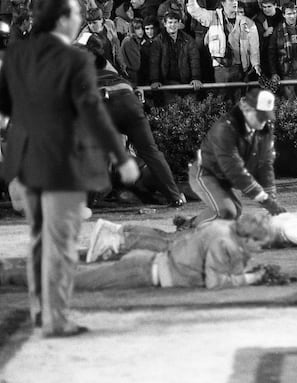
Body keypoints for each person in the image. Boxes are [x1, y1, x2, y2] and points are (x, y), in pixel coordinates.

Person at [0, 0, 139, 336]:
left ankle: (40, 310)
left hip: (24, 159)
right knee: (60, 243)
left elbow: (4, 106)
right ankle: (56, 319)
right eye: (76, 13)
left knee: (39, 239)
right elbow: (92, 112)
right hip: (59, 162)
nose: (80, 18)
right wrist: (121, 158)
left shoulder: (18, 54)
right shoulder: (75, 58)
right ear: (62, 19)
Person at [1, 214, 273, 290]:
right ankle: (12, 274)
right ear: (247, 236)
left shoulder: (226, 230)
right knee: (72, 280)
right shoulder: (223, 241)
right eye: (260, 243)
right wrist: (250, 279)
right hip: (144, 271)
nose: (262, 249)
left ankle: (20, 270)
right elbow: (215, 282)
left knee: (77, 273)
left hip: (149, 263)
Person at [79, 32, 185, 207]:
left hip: (104, 105)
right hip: (129, 101)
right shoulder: (106, 64)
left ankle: (86, 204)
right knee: (151, 152)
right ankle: (174, 197)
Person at [86, 207, 297, 264]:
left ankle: (118, 232)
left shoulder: (289, 217)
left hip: (232, 228)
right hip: (234, 233)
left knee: (172, 241)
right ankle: (118, 238)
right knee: (171, 245)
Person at [187, 88, 286, 228]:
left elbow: (265, 164)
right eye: (260, 116)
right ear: (246, 109)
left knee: (234, 213)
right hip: (206, 172)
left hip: (226, 178)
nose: (264, 121)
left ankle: (193, 223)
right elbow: (234, 169)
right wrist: (265, 200)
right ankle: (188, 229)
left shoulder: (264, 129)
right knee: (226, 212)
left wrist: (271, 199)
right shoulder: (225, 129)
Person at [186, 0, 261, 100]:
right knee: (222, 99)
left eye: (235, 0)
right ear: (223, 3)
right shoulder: (213, 17)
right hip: (221, 68)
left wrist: (256, 64)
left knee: (239, 100)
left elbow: (254, 47)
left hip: (241, 69)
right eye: (231, 0)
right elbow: (194, 11)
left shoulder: (248, 23)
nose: (235, 3)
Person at [268, 2, 297, 100]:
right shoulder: (278, 31)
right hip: (287, 73)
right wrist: (274, 72)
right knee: (291, 104)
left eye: (294, 13)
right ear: (284, 15)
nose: (292, 16)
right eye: (289, 14)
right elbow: (271, 53)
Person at [149, 12, 202, 91]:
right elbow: (154, 62)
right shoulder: (157, 41)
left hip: (186, 83)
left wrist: (196, 78)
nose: (173, 25)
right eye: (170, 22)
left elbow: (194, 59)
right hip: (165, 85)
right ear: (165, 24)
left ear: (179, 23)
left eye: (175, 22)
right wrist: (154, 80)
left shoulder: (188, 40)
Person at [78, 7, 126, 73]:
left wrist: (121, 63)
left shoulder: (109, 24)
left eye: (94, 23)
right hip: (98, 69)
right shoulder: (85, 35)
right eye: (89, 23)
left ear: (101, 20)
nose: (91, 26)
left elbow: (116, 44)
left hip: (112, 63)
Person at [120, 17, 144, 84]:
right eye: (138, 28)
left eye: (142, 28)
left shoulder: (137, 41)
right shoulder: (129, 41)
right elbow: (136, 65)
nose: (141, 31)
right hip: (131, 78)